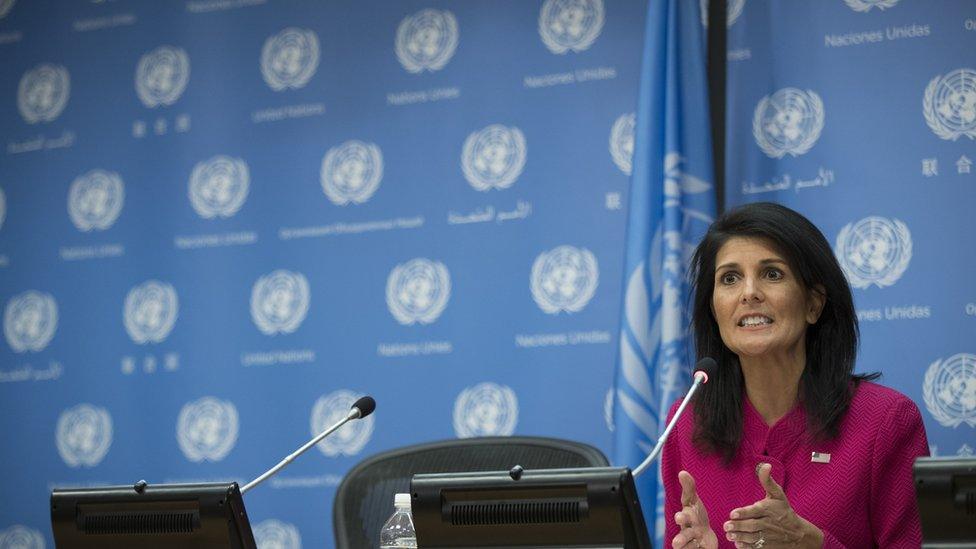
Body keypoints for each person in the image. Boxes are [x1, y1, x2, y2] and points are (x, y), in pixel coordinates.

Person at [662, 202, 928, 549]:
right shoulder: (687, 422)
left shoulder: (886, 421)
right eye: (730, 278)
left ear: (813, 304)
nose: (749, 292)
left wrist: (814, 544)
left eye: (772, 274)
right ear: (714, 309)